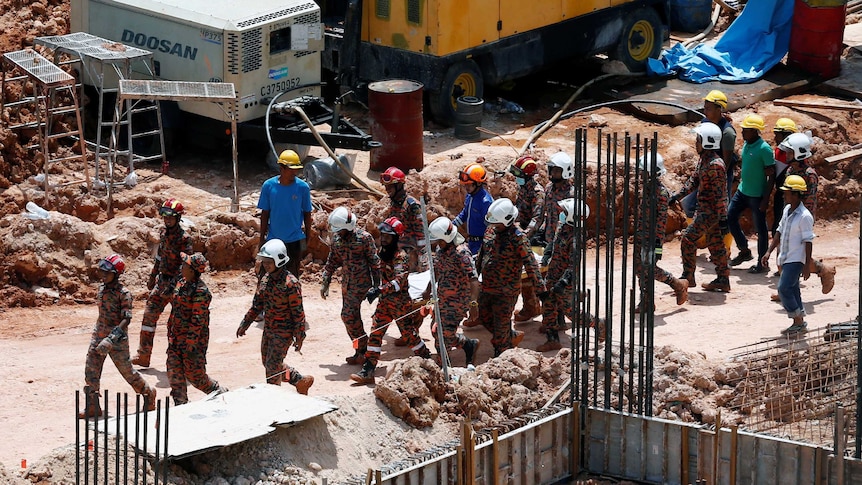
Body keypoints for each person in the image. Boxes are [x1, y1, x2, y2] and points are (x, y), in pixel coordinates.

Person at [351, 217, 432, 384]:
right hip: (385, 302)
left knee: (409, 335)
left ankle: (428, 360)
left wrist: (379, 290)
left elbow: (399, 281)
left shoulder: (400, 257)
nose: (383, 238)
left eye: (387, 236)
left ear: (395, 237)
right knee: (376, 332)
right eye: (382, 235)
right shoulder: (383, 253)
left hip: (399, 303)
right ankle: (369, 369)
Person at [80, 255, 157, 418]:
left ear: (116, 274)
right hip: (99, 335)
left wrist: (111, 339)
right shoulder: (101, 289)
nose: (103, 275)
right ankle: (93, 406)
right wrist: (100, 337)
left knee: (127, 372)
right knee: (91, 370)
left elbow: (126, 319)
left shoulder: (124, 294)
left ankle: (148, 393)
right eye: (102, 272)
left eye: (107, 273)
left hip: (117, 340)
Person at [236, 239, 314, 395]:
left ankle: (274, 400)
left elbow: (298, 313)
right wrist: (245, 323)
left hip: (283, 333)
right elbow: (257, 305)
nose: (265, 265)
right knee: (269, 363)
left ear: (279, 260)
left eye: (269, 262)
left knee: (272, 369)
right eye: (264, 262)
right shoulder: (265, 280)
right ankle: (299, 380)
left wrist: (300, 336)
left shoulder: (290, 283)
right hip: (269, 329)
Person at [476, 198, 546, 357]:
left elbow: (531, 264)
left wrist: (541, 290)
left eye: (497, 224)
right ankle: (510, 336)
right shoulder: (490, 231)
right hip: (487, 287)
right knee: (484, 318)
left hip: (506, 292)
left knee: (500, 330)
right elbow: (482, 255)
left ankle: (502, 355)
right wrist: (473, 278)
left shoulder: (518, 237)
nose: (494, 226)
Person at [132, 198, 193, 368]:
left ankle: (178, 361)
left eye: (170, 217)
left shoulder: (184, 239)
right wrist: (153, 277)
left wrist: (173, 285)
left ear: (178, 218)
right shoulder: (164, 234)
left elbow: (186, 266)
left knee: (176, 325)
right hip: (162, 282)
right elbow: (159, 258)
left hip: (177, 287)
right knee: (148, 317)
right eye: (165, 217)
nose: (167, 220)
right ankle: (143, 355)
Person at [669, 122, 731, 292]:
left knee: (688, 238)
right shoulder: (704, 160)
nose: (696, 143)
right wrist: (677, 196)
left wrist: (723, 218)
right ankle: (723, 279)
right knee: (715, 243)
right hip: (705, 210)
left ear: (708, 141)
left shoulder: (715, 165)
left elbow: (720, 195)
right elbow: (694, 181)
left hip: (711, 212)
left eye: (698, 140)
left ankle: (688, 276)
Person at [321, 207, 381, 366]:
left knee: (351, 316)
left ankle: (365, 349)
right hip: (348, 285)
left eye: (339, 230)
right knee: (349, 317)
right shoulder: (337, 240)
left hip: (363, 285)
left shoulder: (364, 238)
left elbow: (374, 262)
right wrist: (325, 280)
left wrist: (377, 286)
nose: (337, 233)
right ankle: (361, 350)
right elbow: (332, 261)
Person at [777, 133, 836, 294]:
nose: (787, 155)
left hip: (801, 219)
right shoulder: (790, 170)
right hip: (789, 215)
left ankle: (822, 269)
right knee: (784, 252)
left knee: (795, 255)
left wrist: (798, 221)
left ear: (800, 153)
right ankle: (786, 290)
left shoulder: (810, 175)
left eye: (790, 152)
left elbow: (808, 203)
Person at [166, 252, 226, 405]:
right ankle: (181, 405)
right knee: (174, 373)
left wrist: (190, 344)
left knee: (195, 377)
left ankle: (219, 392)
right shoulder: (181, 283)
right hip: (176, 338)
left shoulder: (201, 292)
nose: (182, 267)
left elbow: (197, 320)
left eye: (185, 265)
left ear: (192, 270)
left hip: (192, 342)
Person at [422, 217, 481, 365]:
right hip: (442, 298)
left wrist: (473, 303)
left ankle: (443, 366)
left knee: (444, 333)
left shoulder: (462, 253)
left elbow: (473, 279)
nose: (438, 244)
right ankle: (468, 344)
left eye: (440, 241)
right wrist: (429, 289)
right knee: (436, 330)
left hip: (458, 301)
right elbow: (436, 270)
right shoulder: (441, 250)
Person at [633, 154, 688, 311]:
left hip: (652, 238)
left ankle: (677, 284)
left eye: (643, 171)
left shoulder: (661, 193)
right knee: (639, 268)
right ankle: (646, 301)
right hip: (641, 235)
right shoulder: (647, 188)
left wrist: (657, 244)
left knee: (648, 268)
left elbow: (661, 221)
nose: (640, 174)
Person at [378, 166, 426, 344]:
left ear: (399, 186)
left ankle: (412, 332)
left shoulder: (412, 205)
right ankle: (409, 332)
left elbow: (421, 233)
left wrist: (422, 260)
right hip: (397, 253)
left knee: (411, 296)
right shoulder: (393, 203)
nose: (386, 190)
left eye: (389, 187)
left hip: (411, 256)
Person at [761, 175, 814, 335]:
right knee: (793, 289)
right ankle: (800, 322)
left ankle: (797, 320)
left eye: (787, 192)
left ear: (796, 194)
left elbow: (808, 242)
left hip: (796, 260)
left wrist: (807, 264)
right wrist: (769, 251)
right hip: (785, 257)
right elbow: (779, 231)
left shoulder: (805, 216)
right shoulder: (787, 210)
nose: (784, 195)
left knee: (783, 288)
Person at [536, 198, 587, 351]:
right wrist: (546, 255)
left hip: (565, 282)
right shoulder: (563, 227)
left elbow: (574, 265)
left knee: (571, 312)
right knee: (549, 305)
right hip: (553, 276)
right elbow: (554, 242)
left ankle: (599, 324)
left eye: (564, 212)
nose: (561, 214)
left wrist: (563, 282)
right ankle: (552, 338)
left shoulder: (576, 238)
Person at [727, 114, 775, 274]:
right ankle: (744, 251)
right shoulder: (747, 145)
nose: (743, 133)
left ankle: (762, 262)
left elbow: (771, 175)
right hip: (742, 191)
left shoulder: (764, 149)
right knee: (730, 217)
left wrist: (765, 199)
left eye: (746, 130)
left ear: (755, 131)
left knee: (761, 230)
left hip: (756, 196)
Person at [258, 149, 314, 278]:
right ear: (281, 168)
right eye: (291, 169)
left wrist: (308, 236)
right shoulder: (269, 186)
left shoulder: (302, 188)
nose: (295, 172)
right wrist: (262, 239)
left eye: (296, 169)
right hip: (273, 240)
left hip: (294, 241)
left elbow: (307, 213)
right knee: (265, 277)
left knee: (291, 278)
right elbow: (265, 213)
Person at [681, 90, 738, 217]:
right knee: (690, 205)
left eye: (709, 109)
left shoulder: (727, 132)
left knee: (722, 209)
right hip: (706, 169)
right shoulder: (705, 123)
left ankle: (724, 235)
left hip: (721, 174)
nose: (705, 112)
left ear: (719, 109)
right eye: (704, 108)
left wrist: (716, 181)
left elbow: (726, 161)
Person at [509, 155, 546, 322]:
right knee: (523, 275)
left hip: (535, 238)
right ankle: (531, 307)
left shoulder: (538, 193)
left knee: (531, 274)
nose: (516, 179)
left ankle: (533, 307)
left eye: (519, 175)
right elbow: (518, 212)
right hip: (521, 234)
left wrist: (524, 235)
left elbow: (537, 219)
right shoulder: (522, 189)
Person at [453, 161, 494, 255]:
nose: (466, 187)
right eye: (465, 184)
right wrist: (452, 225)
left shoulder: (485, 202)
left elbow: (491, 227)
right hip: (471, 242)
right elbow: (465, 213)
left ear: (478, 183)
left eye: (468, 184)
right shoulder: (470, 196)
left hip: (482, 244)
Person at [769, 118, 798, 239]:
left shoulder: (795, 155)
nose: (775, 138)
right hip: (781, 193)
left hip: (791, 195)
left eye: (778, 135)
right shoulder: (779, 151)